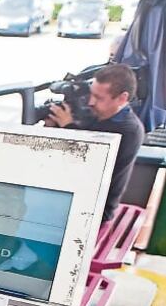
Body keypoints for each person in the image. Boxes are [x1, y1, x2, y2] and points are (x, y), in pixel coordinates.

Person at [45, 64, 146, 223]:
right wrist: (52, 128)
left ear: (122, 98)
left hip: (96, 209)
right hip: (74, 194)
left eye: (99, 98)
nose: (91, 102)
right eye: (92, 94)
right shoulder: (97, 114)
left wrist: (69, 127)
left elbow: (88, 166)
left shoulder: (129, 131)